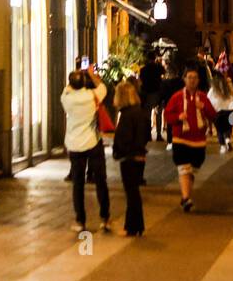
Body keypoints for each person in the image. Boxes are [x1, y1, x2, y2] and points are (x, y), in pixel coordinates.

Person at [60, 66, 111, 234]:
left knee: (78, 184)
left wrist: (76, 77)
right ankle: (105, 218)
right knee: (100, 181)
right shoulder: (93, 96)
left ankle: (81, 221)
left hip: (74, 144)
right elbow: (102, 86)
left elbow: (67, 89)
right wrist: (90, 74)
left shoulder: (66, 99)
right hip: (93, 142)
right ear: (84, 83)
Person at [162, 67, 216, 212]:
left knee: (191, 171)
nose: (192, 80)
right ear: (184, 79)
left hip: (198, 141)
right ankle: (186, 198)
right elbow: (167, 115)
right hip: (181, 139)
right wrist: (178, 117)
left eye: (194, 78)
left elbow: (213, 115)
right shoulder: (177, 97)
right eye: (189, 77)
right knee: (184, 170)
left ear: (198, 81)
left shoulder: (203, 97)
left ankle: (186, 196)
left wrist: (203, 107)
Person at [111, 80, 149, 237]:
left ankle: (133, 226)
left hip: (129, 157)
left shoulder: (126, 115)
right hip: (139, 155)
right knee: (134, 192)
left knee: (131, 193)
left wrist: (119, 151)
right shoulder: (140, 112)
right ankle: (135, 225)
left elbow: (124, 138)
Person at [207, 72, 233, 154]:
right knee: (226, 127)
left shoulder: (213, 89)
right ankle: (227, 139)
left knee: (219, 130)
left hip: (218, 112)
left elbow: (208, 100)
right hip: (228, 110)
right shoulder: (226, 87)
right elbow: (232, 97)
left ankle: (223, 146)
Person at [138, 54, 165, 141]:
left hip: (146, 93)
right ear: (154, 59)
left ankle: (148, 135)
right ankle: (158, 135)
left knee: (147, 115)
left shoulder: (143, 69)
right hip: (157, 93)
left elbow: (140, 81)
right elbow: (163, 73)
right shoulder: (158, 67)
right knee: (158, 114)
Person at [160, 57, 184, 150]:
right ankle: (178, 140)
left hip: (169, 104)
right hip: (179, 105)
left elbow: (162, 94)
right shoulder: (181, 82)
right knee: (179, 123)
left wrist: (159, 103)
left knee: (170, 123)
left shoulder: (165, 83)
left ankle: (170, 141)